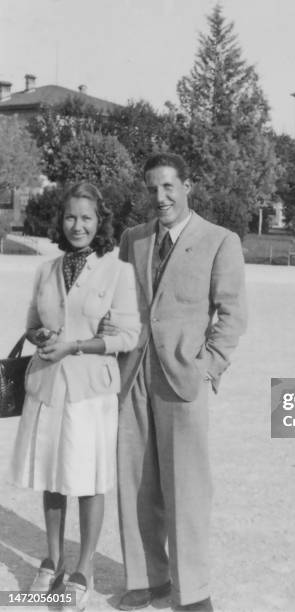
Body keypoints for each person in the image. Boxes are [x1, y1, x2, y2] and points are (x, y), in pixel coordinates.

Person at [101, 153, 247, 612]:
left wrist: (210, 365)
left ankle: (193, 591)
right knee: (136, 483)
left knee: (186, 488)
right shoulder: (133, 239)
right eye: (152, 189)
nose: (159, 197)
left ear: (189, 186)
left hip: (185, 377)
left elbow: (232, 312)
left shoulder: (220, 241)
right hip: (133, 375)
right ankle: (148, 579)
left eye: (168, 187)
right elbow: (118, 304)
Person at [8, 182, 141, 610]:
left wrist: (76, 346)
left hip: (89, 393)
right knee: (51, 479)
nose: (77, 225)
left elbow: (127, 336)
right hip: (47, 387)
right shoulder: (46, 270)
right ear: (60, 221)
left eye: (86, 218)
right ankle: (52, 561)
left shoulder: (117, 271)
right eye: (70, 217)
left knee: (87, 481)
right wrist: (41, 334)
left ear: (100, 222)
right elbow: (31, 322)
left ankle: (82, 569)